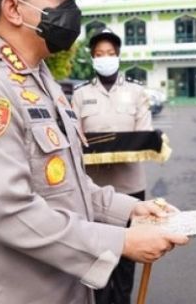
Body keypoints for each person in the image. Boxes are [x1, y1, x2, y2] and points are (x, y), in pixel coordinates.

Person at [0, 0, 188, 303]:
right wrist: (122, 242)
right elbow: (11, 212)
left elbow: (67, 187)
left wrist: (130, 210)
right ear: (13, 9)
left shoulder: (39, 80)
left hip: (61, 288)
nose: (71, 7)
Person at [71, 28, 153, 304]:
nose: (104, 58)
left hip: (131, 190)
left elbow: (145, 137)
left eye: (109, 53)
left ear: (118, 56)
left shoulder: (137, 92)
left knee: (128, 256)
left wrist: (106, 146)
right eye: (98, 54)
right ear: (92, 58)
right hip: (93, 190)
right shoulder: (81, 95)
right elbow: (74, 139)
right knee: (97, 254)